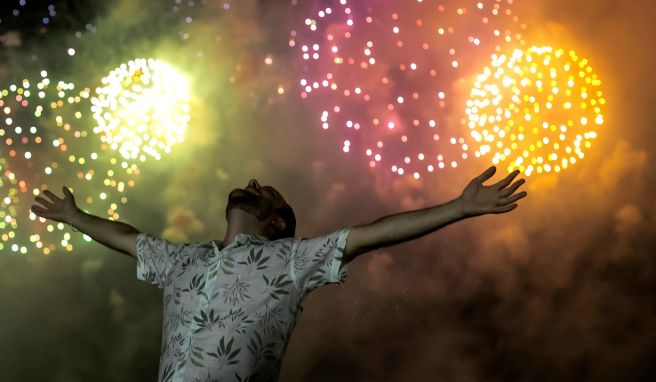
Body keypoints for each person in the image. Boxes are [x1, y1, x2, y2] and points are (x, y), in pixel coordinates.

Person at [30, 165, 527, 381]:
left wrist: (458, 209)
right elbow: (124, 236)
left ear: (276, 224)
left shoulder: (291, 260)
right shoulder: (183, 260)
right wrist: (75, 218)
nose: (251, 183)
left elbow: (374, 232)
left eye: (265, 191)